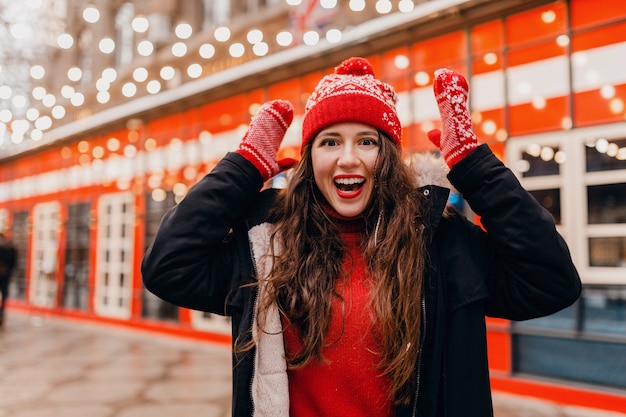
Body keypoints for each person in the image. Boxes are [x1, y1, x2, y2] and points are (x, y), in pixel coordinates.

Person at [141, 57, 581, 417]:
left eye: (366, 142)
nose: (348, 159)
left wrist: (474, 165)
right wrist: (245, 166)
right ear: (309, 159)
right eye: (329, 142)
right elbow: (167, 267)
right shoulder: (266, 246)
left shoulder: (441, 242)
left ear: (386, 156)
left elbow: (550, 282)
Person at [0, 231, 17, 328]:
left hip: (5, 276)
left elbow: (13, 263)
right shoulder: (10, 248)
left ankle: (1, 314)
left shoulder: (10, 249)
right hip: (6, 276)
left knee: (4, 295)